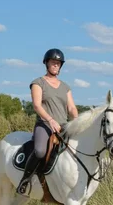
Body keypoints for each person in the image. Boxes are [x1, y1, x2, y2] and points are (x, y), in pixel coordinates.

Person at [16, 48, 79, 195]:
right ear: (46, 63)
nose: (56, 65)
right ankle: (25, 180)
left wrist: (77, 122)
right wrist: (50, 120)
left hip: (63, 126)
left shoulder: (65, 87)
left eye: (58, 63)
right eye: (53, 62)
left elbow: (71, 107)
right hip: (44, 125)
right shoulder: (38, 83)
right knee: (39, 151)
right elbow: (37, 105)